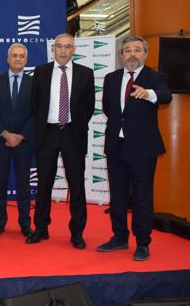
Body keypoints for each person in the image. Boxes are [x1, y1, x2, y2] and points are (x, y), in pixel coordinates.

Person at [97, 35, 172, 261]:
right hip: (116, 145)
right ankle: (119, 237)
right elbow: (109, 109)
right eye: (127, 50)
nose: (132, 54)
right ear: (121, 56)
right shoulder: (111, 78)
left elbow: (165, 96)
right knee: (117, 195)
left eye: (137, 50)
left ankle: (142, 243)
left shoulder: (155, 76)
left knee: (141, 196)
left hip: (142, 148)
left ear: (145, 54)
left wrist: (148, 93)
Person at [27, 33, 94, 249]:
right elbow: (35, 104)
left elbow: (88, 107)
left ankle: (77, 233)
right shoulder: (41, 72)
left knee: (76, 186)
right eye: (59, 47)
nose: (63, 51)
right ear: (53, 49)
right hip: (47, 133)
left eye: (68, 47)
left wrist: (74, 124)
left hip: (73, 134)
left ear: (73, 49)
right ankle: (41, 228)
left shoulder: (86, 74)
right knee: (44, 183)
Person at [0, 43, 34, 238]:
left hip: (24, 143)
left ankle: (25, 223)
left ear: (26, 60)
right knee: (0, 184)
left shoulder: (34, 83)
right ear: (8, 59)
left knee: (24, 184)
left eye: (21, 56)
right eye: (14, 55)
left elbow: (37, 113)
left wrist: (21, 135)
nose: (18, 59)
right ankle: (0, 222)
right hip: (1, 141)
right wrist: (5, 134)